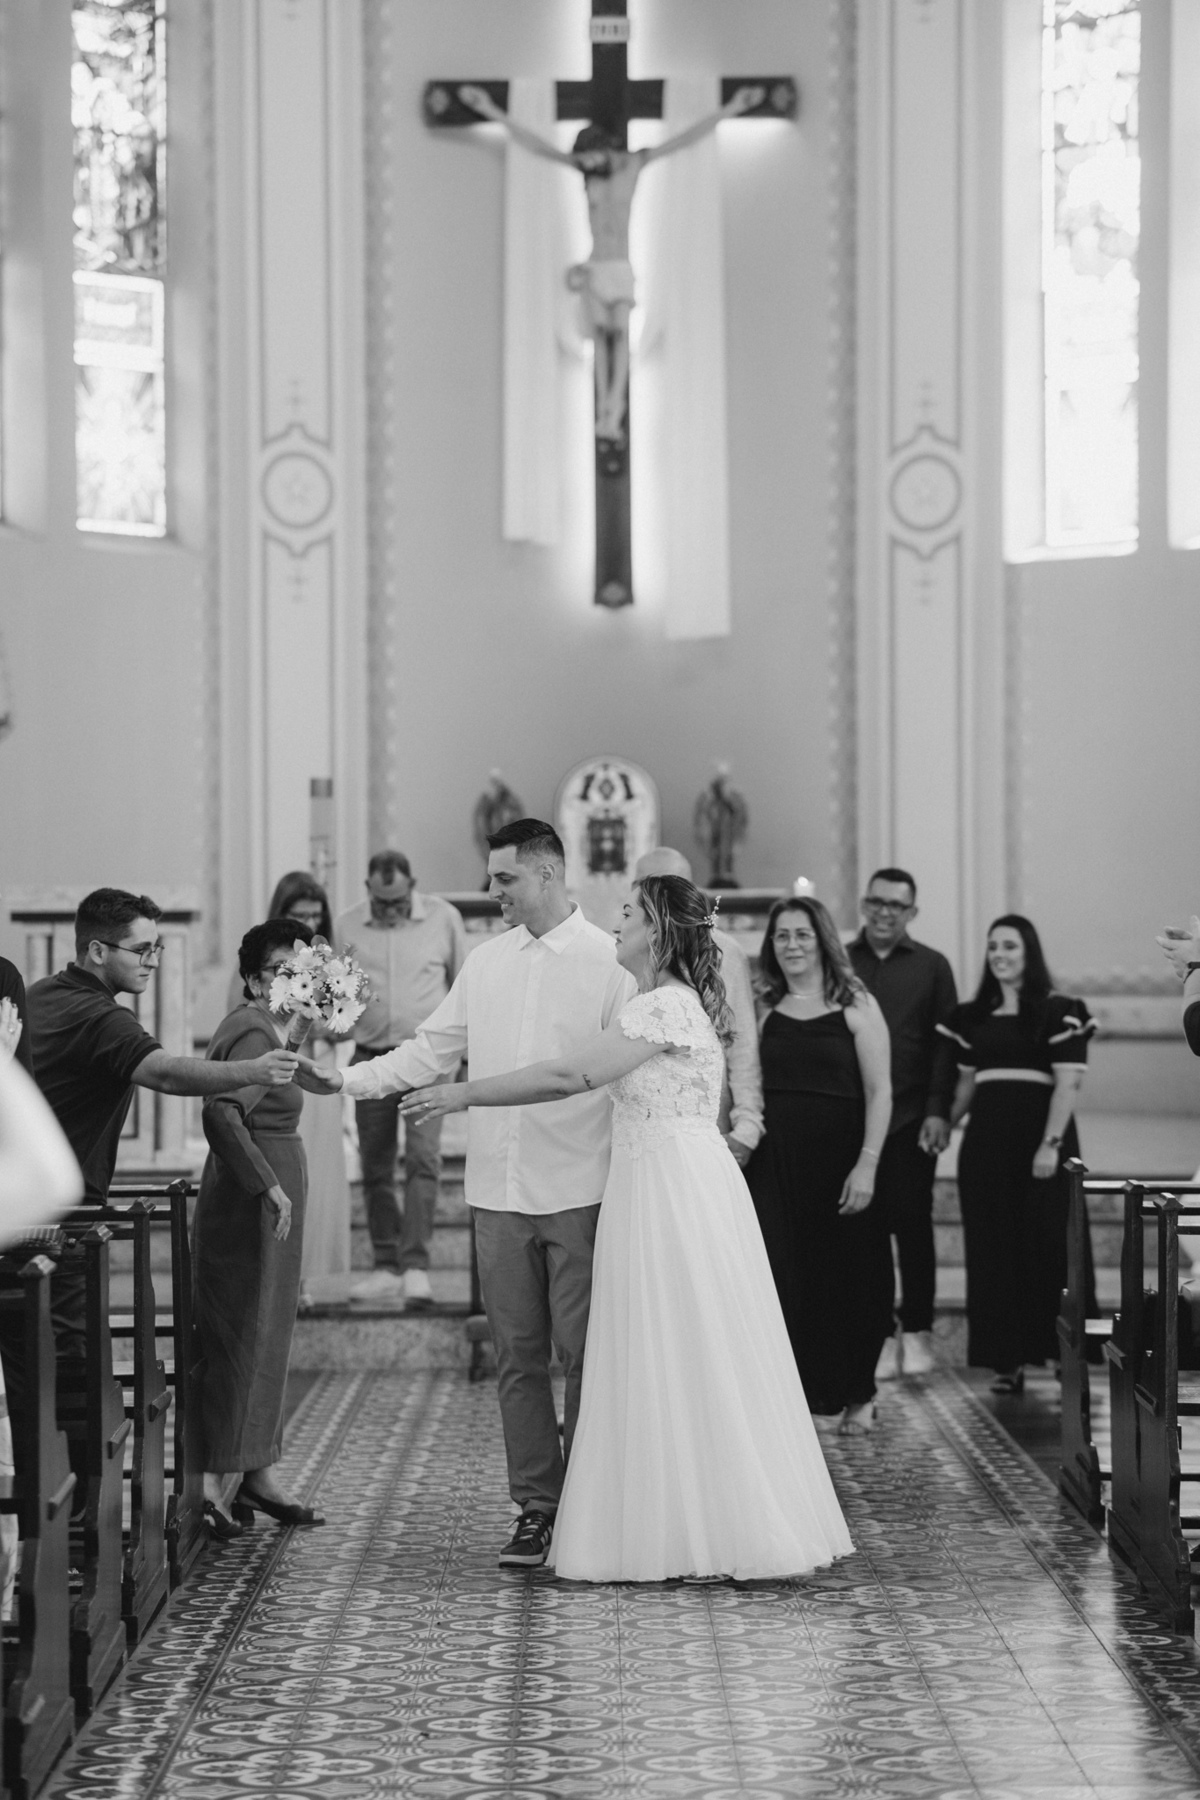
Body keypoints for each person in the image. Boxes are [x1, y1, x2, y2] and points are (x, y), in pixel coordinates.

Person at [398, 875, 853, 1583]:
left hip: (674, 1191)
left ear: (662, 931)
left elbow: (569, 1077)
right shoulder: (656, 1003)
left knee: (684, 1349)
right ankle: (672, 1519)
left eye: (630, 914)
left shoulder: (665, 1007)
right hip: (655, 1182)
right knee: (663, 1353)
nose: (615, 925)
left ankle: (716, 1524)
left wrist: (465, 1092)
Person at [301, 820, 634, 1568]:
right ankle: (537, 1508)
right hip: (497, 1190)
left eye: (505, 880)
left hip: (579, 1184)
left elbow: (613, 1074)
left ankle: (589, 1501)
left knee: (583, 1355)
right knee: (517, 1357)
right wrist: (348, 1079)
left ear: (547, 875)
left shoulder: (611, 963)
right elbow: (429, 1050)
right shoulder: (485, 962)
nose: (493, 893)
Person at [11, 889, 297, 1454]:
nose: (152, 961)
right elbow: (166, 1074)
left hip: (20, 1208)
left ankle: (45, 1498)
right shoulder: (100, 1017)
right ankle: (78, 1512)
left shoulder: (42, 996)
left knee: (27, 1361)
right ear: (97, 951)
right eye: (141, 950)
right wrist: (253, 1067)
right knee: (75, 1363)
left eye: (157, 948)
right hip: (60, 1218)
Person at [457, 83, 765, 441]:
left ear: (604, 149)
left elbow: (684, 139)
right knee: (601, 337)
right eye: (583, 163)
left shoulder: (633, 164)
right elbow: (537, 145)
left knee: (620, 334)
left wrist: (729, 109)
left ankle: (615, 405)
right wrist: (492, 112)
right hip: (595, 266)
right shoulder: (588, 174)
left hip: (620, 265)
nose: (586, 166)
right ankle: (604, 406)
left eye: (590, 159)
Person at [193, 919, 325, 1536]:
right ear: (251, 979)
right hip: (253, 1195)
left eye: (299, 971)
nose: (289, 981)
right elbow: (223, 1112)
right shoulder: (248, 1027)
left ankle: (256, 1473)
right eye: (278, 971)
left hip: (274, 1186)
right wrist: (266, 1184)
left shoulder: (275, 1025)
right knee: (245, 1331)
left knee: (270, 1330)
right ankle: (217, 1487)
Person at [744, 897, 893, 1434]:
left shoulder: (854, 1001)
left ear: (822, 939)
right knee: (787, 1276)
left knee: (850, 1279)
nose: (791, 946)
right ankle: (803, 1395)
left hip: (842, 1162)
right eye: (781, 936)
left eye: (802, 935)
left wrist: (868, 1164)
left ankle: (856, 1391)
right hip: (778, 1163)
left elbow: (880, 1092)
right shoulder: (763, 1005)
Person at [941, 915, 1094, 1393]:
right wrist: (942, 1125)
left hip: (1041, 1143)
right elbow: (966, 1082)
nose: (1000, 955)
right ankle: (1005, 1359)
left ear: (1028, 951)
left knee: (1049, 1247)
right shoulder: (973, 1016)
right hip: (986, 1145)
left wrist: (1049, 1144)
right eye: (992, 948)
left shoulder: (1058, 1009)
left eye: (1009, 946)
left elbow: (1067, 1083)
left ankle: (1056, 1352)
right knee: (992, 1250)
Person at [334, 851, 466, 1310]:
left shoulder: (442, 918)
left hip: (429, 1061)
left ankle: (416, 1268)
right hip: (372, 1059)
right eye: (380, 901)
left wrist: (463, 1055)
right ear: (368, 888)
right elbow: (336, 987)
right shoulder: (347, 925)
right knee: (375, 1165)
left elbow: (462, 985)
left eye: (397, 900)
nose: (389, 909)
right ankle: (385, 1266)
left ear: (413, 885)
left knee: (424, 1161)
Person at [848, 868, 958, 1380]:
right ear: (864, 905)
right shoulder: (843, 962)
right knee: (864, 1235)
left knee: (913, 1228)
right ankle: (876, 1335)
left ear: (912, 912)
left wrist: (940, 1109)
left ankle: (916, 1333)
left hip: (913, 1118)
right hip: (856, 1121)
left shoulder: (933, 967)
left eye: (897, 905)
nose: (885, 911)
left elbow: (945, 1046)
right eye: (877, 902)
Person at [230, 873, 352, 1307]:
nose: (308, 921)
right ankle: (275, 1277)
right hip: (274, 1073)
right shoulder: (263, 970)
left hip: (314, 1073)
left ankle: (302, 1278)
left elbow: (347, 1020)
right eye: (298, 914)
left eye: (314, 914)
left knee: (314, 1176)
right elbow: (244, 1013)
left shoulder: (331, 967)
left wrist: (328, 1023)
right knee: (283, 1170)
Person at [633, 848, 762, 1166]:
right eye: (644, 884)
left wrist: (747, 1126)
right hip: (639, 1129)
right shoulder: (623, 952)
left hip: (705, 1127)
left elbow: (741, 1042)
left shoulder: (724, 952)